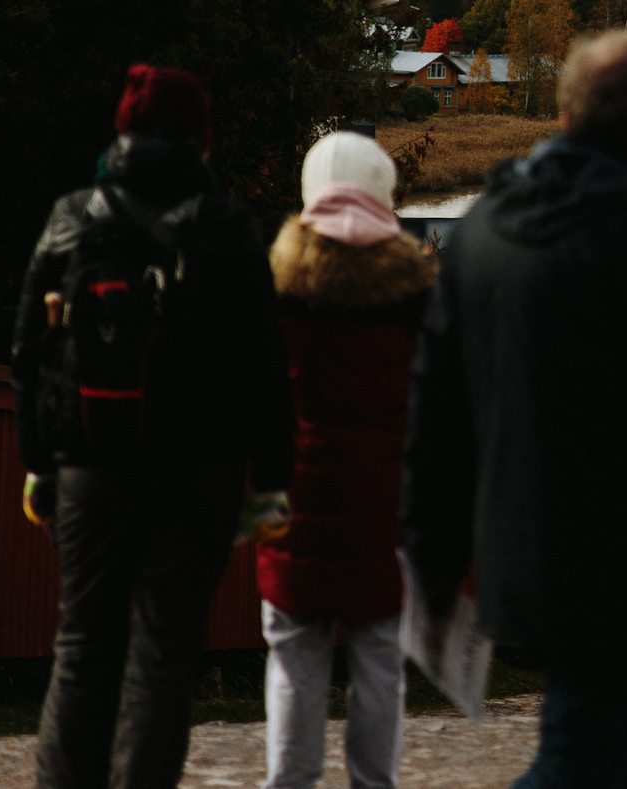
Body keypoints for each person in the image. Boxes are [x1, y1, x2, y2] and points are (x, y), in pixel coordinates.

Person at [403, 30, 627, 789]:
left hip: (514, 546)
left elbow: (435, 415)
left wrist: (432, 561)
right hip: (623, 556)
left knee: (589, 744)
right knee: (585, 755)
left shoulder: (476, 236)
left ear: (565, 110)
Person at [11, 64, 295, 789]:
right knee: (165, 651)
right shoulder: (229, 230)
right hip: (200, 474)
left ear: (123, 133)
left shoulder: (74, 215)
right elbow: (266, 364)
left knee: (82, 646)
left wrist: (41, 462)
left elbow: (29, 353)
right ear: (202, 140)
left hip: (90, 465)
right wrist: (271, 480)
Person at [257, 132, 434, 789]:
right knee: (380, 662)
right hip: (384, 512)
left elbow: (255, 401)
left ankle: (289, 780)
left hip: (296, 505)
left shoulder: (277, 294)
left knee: (294, 660)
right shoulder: (413, 297)